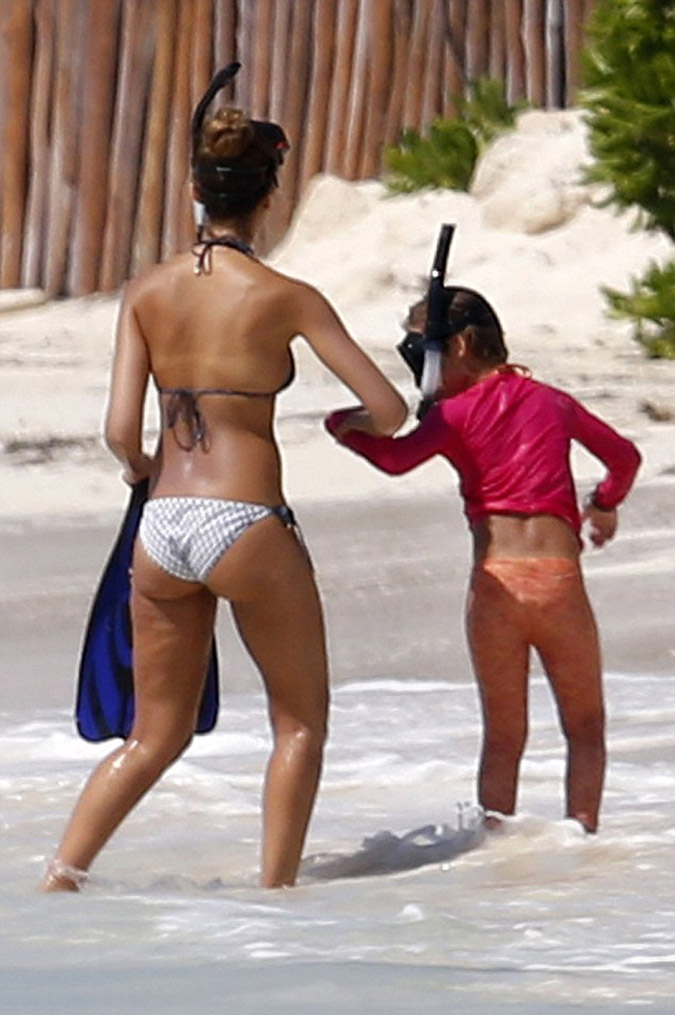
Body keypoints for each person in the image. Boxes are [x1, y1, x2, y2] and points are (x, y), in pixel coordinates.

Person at [41, 65, 407, 892]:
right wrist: (347, 422)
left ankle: (59, 880)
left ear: (195, 193)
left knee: (152, 735)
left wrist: (144, 472)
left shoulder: (146, 291)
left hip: (163, 525)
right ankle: (273, 897)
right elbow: (388, 410)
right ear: (268, 197)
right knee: (299, 724)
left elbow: (118, 432)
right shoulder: (287, 296)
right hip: (246, 521)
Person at [326, 286, 641, 834]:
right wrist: (604, 503)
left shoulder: (451, 416)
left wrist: (342, 425)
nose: (419, 370)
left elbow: (396, 460)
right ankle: (582, 838)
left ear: (462, 346)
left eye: (422, 354)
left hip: (494, 586)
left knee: (503, 736)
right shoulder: (552, 402)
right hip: (558, 583)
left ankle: (494, 848)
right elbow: (625, 457)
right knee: (585, 727)